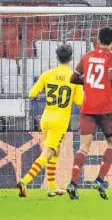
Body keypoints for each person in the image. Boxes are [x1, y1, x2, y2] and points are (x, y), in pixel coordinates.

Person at [66, 27, 112, 200]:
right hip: (104, 107)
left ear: (98, 40)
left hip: (87, 107)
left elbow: (73, 79)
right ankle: (100, 180)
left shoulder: (87, 56)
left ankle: (72, 183)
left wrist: (88, 81)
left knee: (83, 147)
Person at [17, 44, 84, 197]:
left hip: (46, 118)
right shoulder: (75, 77)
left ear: (57, 57)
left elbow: (32, 94)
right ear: (71, 58)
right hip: (60, 121)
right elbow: (79, 101)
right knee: (48, 152)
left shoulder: (47, 74)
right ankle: (24, 180)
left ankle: (52, 187)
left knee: (55, 150)